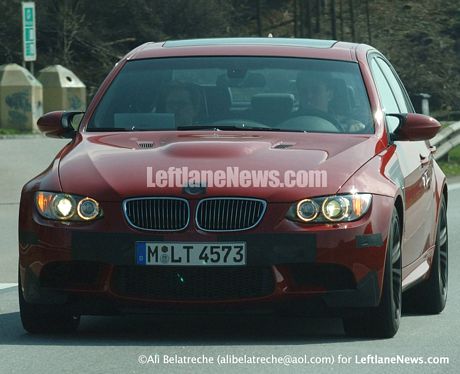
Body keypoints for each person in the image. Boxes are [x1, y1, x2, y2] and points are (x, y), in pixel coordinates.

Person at [295, 71, 366, 132]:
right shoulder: (285, 124)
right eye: (304, 91)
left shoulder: (351, 128)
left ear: (329, 95)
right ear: (299, 95)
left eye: (315, 90)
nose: (309, 96)